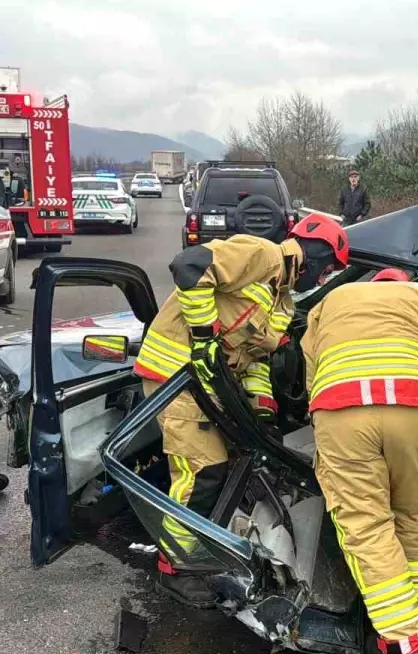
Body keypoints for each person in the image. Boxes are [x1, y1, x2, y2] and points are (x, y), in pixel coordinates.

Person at [133, 214, 350, 608]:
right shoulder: (262, 255)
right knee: (203, 470)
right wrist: (202, 339)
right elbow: (190, 266)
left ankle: (203, 551)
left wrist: (263, 412)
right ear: (317, 256)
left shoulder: (281, 304)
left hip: (207, 386)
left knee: (227, 469)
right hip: (175, 375)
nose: (321, 281)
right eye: (327, 271)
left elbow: (254, 364)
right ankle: (175, 567)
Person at [301, 267, 418, 654]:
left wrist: (317, 403)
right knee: (416, 512)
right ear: (404, 285)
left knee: (366, 525)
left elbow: (310, 366)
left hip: (342, 409)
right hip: (413, 408)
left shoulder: (334, 299)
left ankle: (400, 642)